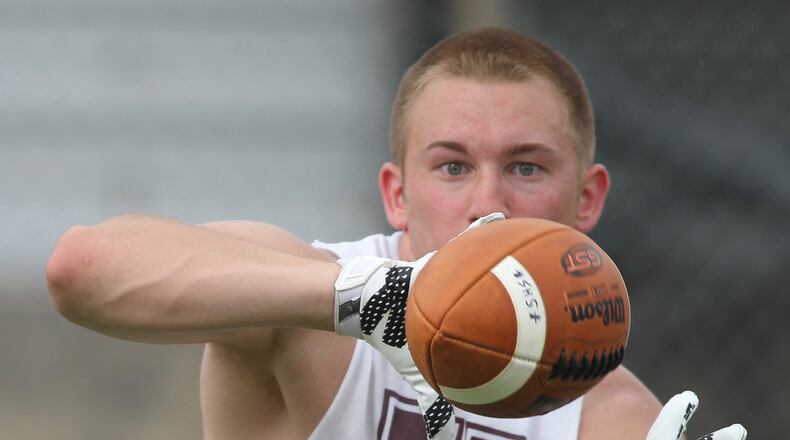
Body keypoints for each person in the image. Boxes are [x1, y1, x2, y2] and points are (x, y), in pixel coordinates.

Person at [46, 27, 745, 439]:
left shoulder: (604, 409)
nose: (487, 203)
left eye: (526, 167)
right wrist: (363, 299)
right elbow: (81, 269)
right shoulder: (307, 309)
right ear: (397, 194)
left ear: (586, 199)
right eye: (451, 167)